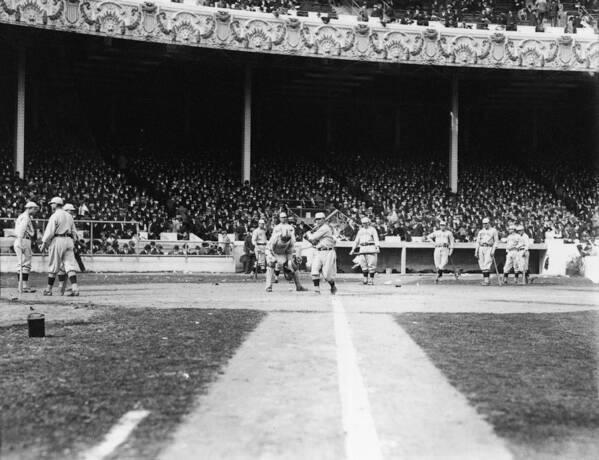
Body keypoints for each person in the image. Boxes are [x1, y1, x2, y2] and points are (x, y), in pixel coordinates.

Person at [39, 197, 80, 296]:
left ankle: (48, 290)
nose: (50, 205)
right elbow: (74, 232)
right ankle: (75, 289)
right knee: (70, 266)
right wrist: (74, 241)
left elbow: (49, 231)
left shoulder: (55, 215)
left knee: (54, 265)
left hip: (58, 239)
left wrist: (44, 243)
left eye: (52, 203)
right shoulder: (69, 216)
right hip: (69, 240)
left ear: (55, 204)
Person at [264, 225, 306, 293]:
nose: (285, 241)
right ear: (280, 236)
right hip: (272, 253)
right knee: (271, 265)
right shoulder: (275, 238)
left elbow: (289, 252)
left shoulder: (291, 239)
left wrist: (289, 264)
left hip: (283, 254)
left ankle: (299, 286)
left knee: (294, 266)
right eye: (283, 239)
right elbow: (267, 250)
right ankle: (268, 286)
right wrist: (272, 258)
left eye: (287, 239)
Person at [305, 212, 337, 295]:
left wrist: (308, 234)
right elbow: (313, 241)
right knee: (314, 271)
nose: (318, 221)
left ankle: (332, 285)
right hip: (318, 252)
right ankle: (317, 290)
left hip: (328, 252)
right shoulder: (319, 229)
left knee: (327, 276)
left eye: (319, 219)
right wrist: (308, 238)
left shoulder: (325, 228)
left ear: (324, 220)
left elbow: (312, 237)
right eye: (316, 219)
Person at [13, 201, 39, 293]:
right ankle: (23, 286)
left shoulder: (21, 216)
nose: (35, 211)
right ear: (30, 208)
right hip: (23, 240)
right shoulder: (26, 217)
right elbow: (22, 229)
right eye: (34, 209)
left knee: (20, 263)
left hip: (19, 240)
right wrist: (20, 240)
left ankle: (21, 286)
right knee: (26, 263)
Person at [350, 217, 380, 285]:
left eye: (366, 223)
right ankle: (365, 279)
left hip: (371, 247)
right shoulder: (360, 230)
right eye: (363, 223)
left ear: (368, 223)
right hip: (362, 248)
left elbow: (376, 238)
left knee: (371, 264)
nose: (365, 225)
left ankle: (371, 279)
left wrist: (377, 247)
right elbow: (356, 240)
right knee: (363, 264)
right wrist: (353, 249)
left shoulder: (372, 229)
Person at [475, 217, 499, 286]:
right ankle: (486, 280)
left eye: (486, 223)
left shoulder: (493, 230)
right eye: (483, 224)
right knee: (481, 264)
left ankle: (486, 280)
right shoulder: (481, 231)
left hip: (489, 247)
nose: (485, 225)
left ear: (489, 223)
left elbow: (496, 241)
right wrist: (476, 251)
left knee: (487, 263)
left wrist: (493, 250)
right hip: (481, 247)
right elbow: (477, 241)